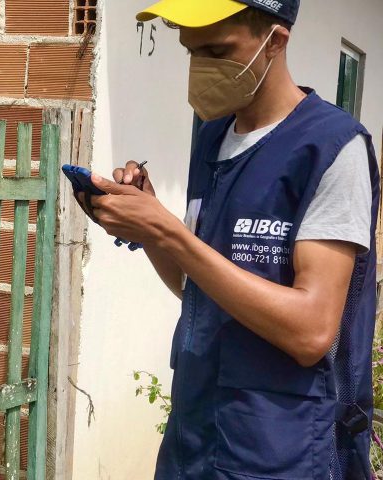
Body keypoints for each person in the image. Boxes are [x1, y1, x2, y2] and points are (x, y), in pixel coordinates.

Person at [78, 0, 380, 478]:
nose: (200, 68)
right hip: (193, 440)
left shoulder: (332, 149)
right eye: (191, 52)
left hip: (280, 452)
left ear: (274, 42)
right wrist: (150, 228)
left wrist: (168, 231)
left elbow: (311, 332)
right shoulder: (213, 138)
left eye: (216, 51)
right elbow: (195, 287)